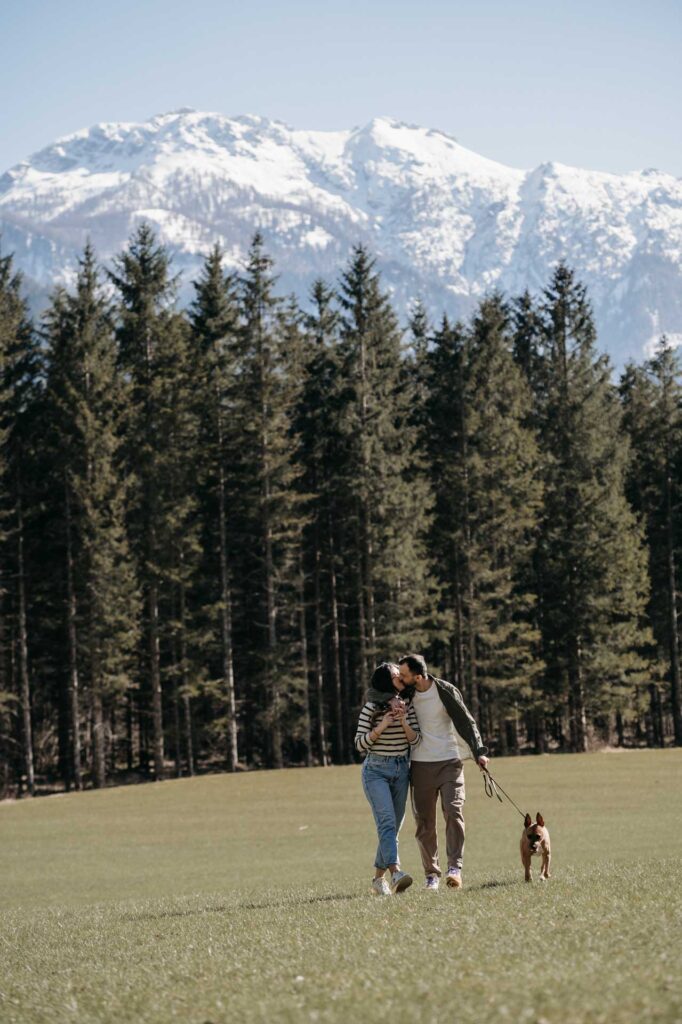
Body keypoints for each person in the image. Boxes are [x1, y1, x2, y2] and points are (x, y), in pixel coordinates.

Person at [397, 654, 489, 891]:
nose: (400, 677)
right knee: (425, 822)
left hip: (450, 760)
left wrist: (479, 751)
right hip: (420, 765)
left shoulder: (445, 690)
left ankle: (455, 869)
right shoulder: (404, 695)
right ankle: (432, 875)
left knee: (453, 810)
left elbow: (467, 721)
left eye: (404, 674)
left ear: (418, 676)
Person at [355, 662, 420, 895]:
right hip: (375, 771)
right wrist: (381, 726)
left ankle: (377, 880)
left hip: (402, 770)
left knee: (391, 828)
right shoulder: (371, 708)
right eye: (396, 676)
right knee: (387, 824)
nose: (401, 678)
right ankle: (396, 873)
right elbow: (360, 744)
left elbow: (415, 740)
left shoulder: (407, 704)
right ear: (386, 681)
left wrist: (402, 720)